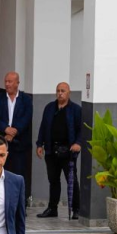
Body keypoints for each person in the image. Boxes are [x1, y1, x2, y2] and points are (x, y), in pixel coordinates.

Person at [35, 82, 82, 219]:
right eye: (58, 91)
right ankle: (52, 208)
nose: (60, 93)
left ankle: (76, 209)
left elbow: (81, 129)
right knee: (53, 180)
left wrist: (78, 143)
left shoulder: (75, 110)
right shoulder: (49, 108)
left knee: (72, 180)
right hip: (51, 150)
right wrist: (39, 144)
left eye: (63, 91)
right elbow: (43, 127)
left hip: (68, 151)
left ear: (69, 93)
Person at [0, 72, 33, 195]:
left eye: (10, 82)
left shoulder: (26, 100)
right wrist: (5, 128)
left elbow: (26, 118)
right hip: (1, 144)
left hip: (20, 145)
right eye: (6, 81)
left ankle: (20, 203)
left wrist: (14, 132)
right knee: (0, 173)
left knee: (19, 175)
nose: (7, 84)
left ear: (17, 83)